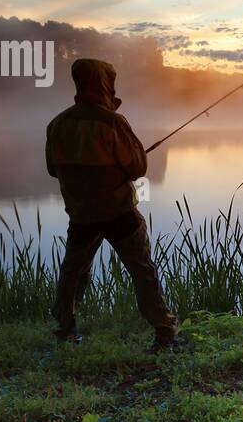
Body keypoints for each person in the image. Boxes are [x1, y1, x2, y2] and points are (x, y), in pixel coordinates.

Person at [46, 58, 179, 349]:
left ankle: (64, 330)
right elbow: (137, 168)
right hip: (119, 213)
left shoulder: (57, 124)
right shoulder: (113, 122)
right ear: (106, 84)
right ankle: (164, 332)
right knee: (143, 271)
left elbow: (52, 169)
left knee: (72, 273)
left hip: (81, 214)